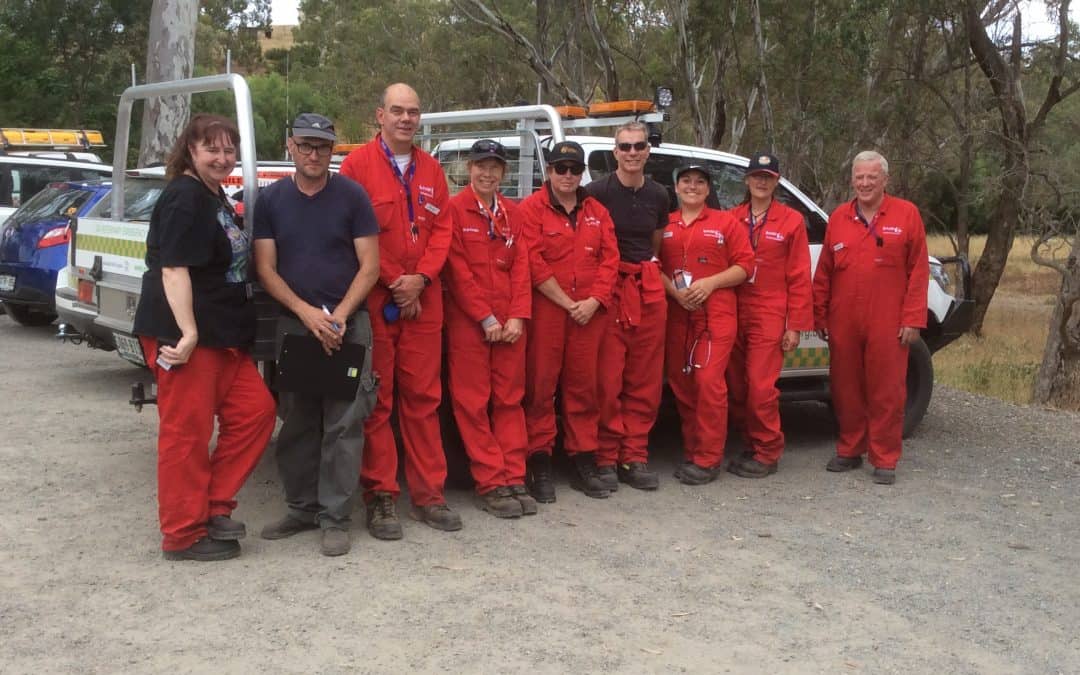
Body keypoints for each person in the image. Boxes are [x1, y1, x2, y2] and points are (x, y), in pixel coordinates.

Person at [132, 113, 276, 561]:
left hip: (224, 337)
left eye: (229, 149)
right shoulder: (184, 198)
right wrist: (189, 331)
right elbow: (173, 267)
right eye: (211, 148)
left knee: (257, 413)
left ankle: (213, 507)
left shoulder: (213, 197)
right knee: (186, 436)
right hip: (186, 339)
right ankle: (182, 534)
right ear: (190, 150)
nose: (222, 157)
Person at [253, 113, 380, 556]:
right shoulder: (271, 201)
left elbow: (370, 266)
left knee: (345, 423)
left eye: (322, 147)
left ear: (333, 150)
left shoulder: (352, 197)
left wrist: (340, 316)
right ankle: (301, 509)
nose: (313, 153)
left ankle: (335, 518)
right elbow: (265, 268)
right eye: (305, 145)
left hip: (349, 325)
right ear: (291, 146)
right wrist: (307, 314)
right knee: (298, 420)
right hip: (296, 325)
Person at [339, 83, 462, 537]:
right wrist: (395, 282)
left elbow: (443, 231)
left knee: (424, 401)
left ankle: (429, 496)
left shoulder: (433, 169)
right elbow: (353, 232)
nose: (406, 119)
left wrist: (421, 280)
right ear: (380, 115)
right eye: (397, 111)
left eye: (413, 112)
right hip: (377, 299)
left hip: (423, 302)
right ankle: (381, 497)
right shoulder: (356, 167)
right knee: (377, 400)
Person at [813, 150, 928, 485]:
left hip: (888, 318)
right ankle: (850, 449)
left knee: (887, 390)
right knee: (845, 387)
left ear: (884, 181)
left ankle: (884, 457)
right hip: (844, 317)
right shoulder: (838, 217)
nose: (864, 183)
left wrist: (913, 318)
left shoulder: (906, 215)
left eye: (871, 178)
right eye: (859, 178)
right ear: (853, 180)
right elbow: (824, 273)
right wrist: (820, 314)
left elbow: (919, 271)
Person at [518, 141, 619, 501]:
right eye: (561, 168)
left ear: (582, 174)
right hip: (549, 311)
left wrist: (593, 302)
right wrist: (567, 302)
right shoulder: (531, 209)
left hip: (589, 314)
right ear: (549, 171)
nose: (568, 175)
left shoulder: (598, 212)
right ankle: (540, 460)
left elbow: (611, 260)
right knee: (541, 387)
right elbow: (533, 262)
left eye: (574, 170)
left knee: (583, 388)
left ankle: (583, 459)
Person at [443, 139, 535, 518]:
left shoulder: (514, 213)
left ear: (504, 173)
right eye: (481, 165)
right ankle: (492, 481)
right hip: (470, 324)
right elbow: (458, 272)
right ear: (469, 168)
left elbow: (522, 267)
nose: (488, 172)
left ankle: (514, 475)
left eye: (495, 166)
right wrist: (486, 318)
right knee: (473, 403)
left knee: (510, 401)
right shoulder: (453, 210)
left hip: (510, 324)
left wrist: (517, 317)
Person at [585, 122, 669, 492]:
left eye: (639, 147)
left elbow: (655, 244)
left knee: (644, 379)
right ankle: (604, 457)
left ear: (648, 151)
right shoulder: (596, 192)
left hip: (648, 289)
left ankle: (634, 455)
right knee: (607, 380)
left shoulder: (660, 194)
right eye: (625, 147)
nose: (632, 153)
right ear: (614, 151)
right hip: (609, 290)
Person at [660, 163, 754, 486]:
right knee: (682, 384)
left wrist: (711, 284)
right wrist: (674, 292)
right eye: (686, 181)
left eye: (700, 182)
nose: (692, 186)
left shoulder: (725, 222)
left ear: (708, 189)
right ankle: (693, 450)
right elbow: (651, 263)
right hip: (678, 313)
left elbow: (745, 265)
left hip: (715, 315)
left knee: (708, 382)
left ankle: (709, 458)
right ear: (676, 187)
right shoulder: (666, 223)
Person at [724, 153, 813, 478]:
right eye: (756, 176)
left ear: (777, 182)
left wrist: (795, 326)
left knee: (761, 387)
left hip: (770, 311)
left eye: (768, 177)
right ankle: (750, 443)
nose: (762, 182)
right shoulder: (731, 218)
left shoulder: (791, 221)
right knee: (737, 386)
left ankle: (767, 450)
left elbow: (800, 276)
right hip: (735, 309)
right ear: (746, 180)